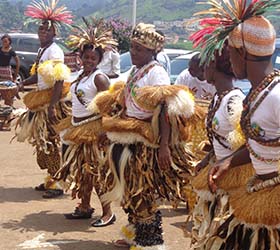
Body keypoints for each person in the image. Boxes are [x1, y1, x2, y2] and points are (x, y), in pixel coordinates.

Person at [93, 22, 204, 250]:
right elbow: (126, 103)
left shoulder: (157, 72)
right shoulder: (136, 71)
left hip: (147, 143)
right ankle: (135, 233)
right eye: (132, 47)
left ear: (152, 52)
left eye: (139, 49)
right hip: (128, 136)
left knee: (143, 193)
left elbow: (165, 109)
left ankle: (151, 243)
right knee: (130, 192)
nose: (133, 52)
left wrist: (164, 146)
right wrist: (112, 129)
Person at [191, 0, 280, 248]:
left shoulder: (276, 96)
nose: (229, 61)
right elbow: (260, 146)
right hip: (259, 192)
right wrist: (229, 161)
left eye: (230, 52)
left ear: (242, 52)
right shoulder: (257, 94)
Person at [189, 42, 253, 247]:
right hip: (218, 172)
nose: (203, 69)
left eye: (206, 65)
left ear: (214, 67)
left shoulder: (234, 101)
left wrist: (227, 163)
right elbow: (220, 139)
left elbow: (249, 144)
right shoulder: (218, 97)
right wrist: (207, 160)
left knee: (223, 234)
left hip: (233, 178)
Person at [55, 19, 116, 227]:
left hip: (93, 130)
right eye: (86, 57)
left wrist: (105, 132)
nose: (89, 60)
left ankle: (108, 213)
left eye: (93, 57)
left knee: (97, 172)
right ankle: (84, 207)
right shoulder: (81, 76)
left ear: (99, 59)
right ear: (80, 57)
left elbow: (108, 107)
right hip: (78, 128)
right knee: (82, 171)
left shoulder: (99, 78)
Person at [14, 0, 73, 198]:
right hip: (44, 102)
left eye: (47, 31)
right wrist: (22, 84)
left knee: (52, 140)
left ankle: (57, 182)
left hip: (52, 103)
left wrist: (52, 107)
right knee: (45, 142)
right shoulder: (43, 50)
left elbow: (59, 80)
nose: (42, 33)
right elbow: (37, 75)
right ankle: (51, 177)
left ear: (54, 34)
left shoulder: (54, 51)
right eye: (40, 30)